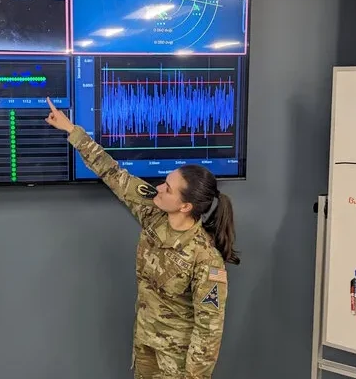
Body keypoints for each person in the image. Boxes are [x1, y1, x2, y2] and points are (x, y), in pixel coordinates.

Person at [44, 98, 239, 378]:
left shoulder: (206, 259)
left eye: (168, 189)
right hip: (145, 347)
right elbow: (113, 173)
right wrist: (71, 129)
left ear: (185, 206)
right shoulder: (153, 213)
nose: (159, 187)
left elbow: (209, 330)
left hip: (177, 364)